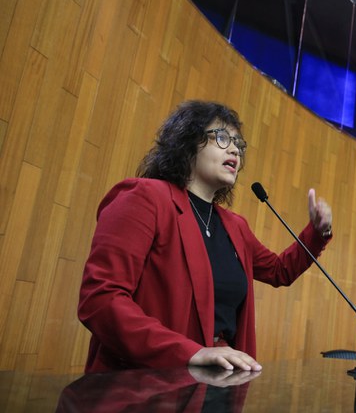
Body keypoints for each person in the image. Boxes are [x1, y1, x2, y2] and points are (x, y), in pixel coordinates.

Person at [78, 100, 333, 373]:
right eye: (222, 137)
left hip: (220, 378)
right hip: (147, 380)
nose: (234, 149)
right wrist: (191, 352)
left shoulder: (235, 226)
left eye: (238, 143)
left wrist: (317, 233)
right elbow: (101, 298)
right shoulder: (146, 198)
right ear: (187, 143)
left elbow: (279, 271)